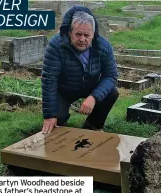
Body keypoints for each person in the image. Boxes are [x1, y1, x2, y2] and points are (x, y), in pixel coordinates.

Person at [41, 6, 119, 134]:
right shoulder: (56, 45)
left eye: (86, 35)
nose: (82, 39)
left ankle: (93, 124)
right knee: (57, 118)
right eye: (78, 34)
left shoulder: (104, 46)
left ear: (93, 34)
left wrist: (94, 97)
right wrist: (49, 115)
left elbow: (111, 75)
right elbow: (49, 79)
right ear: (70, 32)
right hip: (64, 89)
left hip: (90, 86)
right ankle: (60, 117)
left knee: (112, 93)